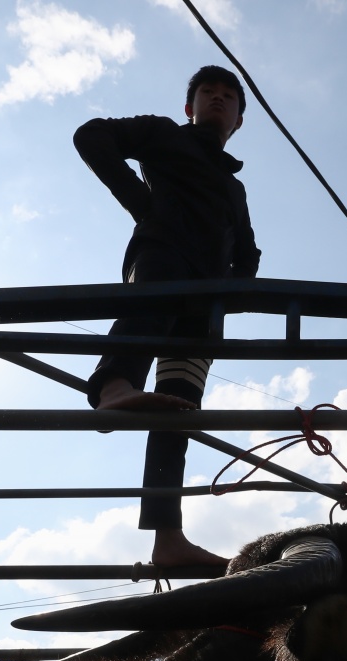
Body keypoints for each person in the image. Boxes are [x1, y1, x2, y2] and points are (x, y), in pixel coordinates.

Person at [74, 65, 260, 567]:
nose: (218, 100)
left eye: (229, 96)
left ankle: (167, 540)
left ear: (239, 119)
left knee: (177, 411)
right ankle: (113, 388)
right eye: (207, 92)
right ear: (190, 106)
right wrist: (141, 203)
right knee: (154, 299)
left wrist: (234, 289)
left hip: (204, 303)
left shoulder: (234, 188)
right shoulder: (161, 133)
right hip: (162, 259)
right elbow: (92, 135)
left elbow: (248, 250)